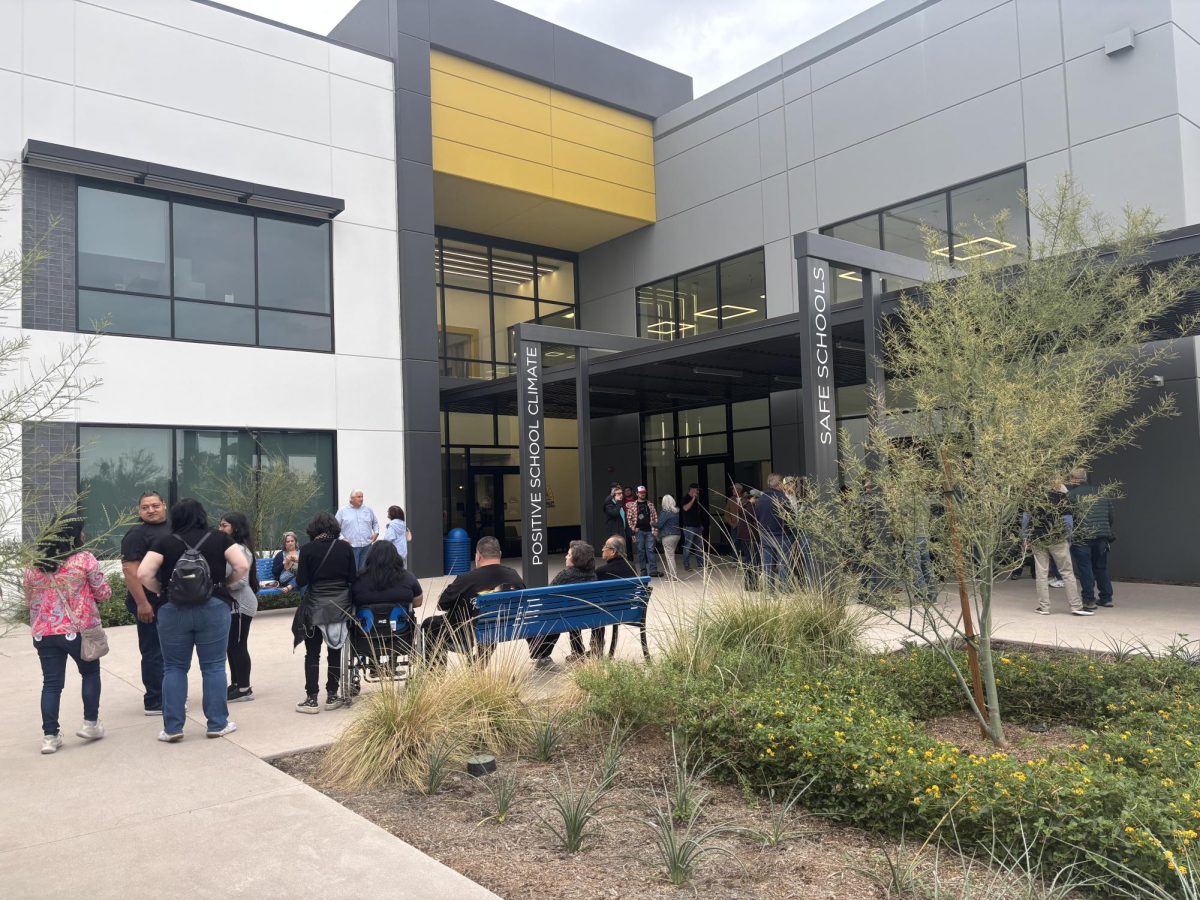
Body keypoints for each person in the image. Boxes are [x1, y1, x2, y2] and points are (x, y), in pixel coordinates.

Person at [138, 499, 248, 742]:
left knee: (174, 667)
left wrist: (160, 590)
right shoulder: (219, 538)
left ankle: (173, 728)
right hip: (213, 608)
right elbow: (241, 565)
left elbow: (143, 573)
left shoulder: (164, 542)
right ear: (202, 515)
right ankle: (217, 724)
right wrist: (224, 585)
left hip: (173, 609)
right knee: (214, 666)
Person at [25, 517, 111, 755]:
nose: (84, 536)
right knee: (90, 673)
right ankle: (90, 724)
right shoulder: (84, 559)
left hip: (45, 633)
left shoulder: (35, 565)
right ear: (74, 536)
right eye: (81, 532)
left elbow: (29, 601)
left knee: (51, 684)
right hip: (78, 630)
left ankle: (50, 737)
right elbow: (103, 593)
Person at [292, 511, 358, 713]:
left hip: (315, 606)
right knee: (335, 651)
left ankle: (311, 699)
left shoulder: (308, 550)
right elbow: (353, 578)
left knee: (312, 653)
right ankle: (332, 696)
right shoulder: (345, 548)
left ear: (315, 528)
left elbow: (302, 581)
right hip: (339, 607)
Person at [423, 536, 523, 665]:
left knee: (429, 624)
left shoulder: (466, 579)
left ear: (478, 556)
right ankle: (478, 663)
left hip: (468, 632)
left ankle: (434, 672)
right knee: (488, 625)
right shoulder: (513, 575)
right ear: (500, 555)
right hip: (504, 626)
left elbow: (442, 605)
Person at [120, 490, 170, 716]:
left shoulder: (173, 528)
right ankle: (155, 699)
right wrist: (142, 603)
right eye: (145, 507)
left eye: (155, 506)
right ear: (139, 510)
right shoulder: (136, 534)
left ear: (164, 505)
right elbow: (130, 571)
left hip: (171, 602)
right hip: (149, 604)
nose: (151, 510)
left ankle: (169, 692)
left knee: (171, 651)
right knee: (153, 652)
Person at [1024, 481, 1091, 616]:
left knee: (1041, 573)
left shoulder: (1033, 498)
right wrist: (1069, 537)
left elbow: (1026, 518)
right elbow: (1067, 519)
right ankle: (1076, 606)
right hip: (1058, 538)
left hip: (1038, 538)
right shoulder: (1061, 498)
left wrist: (1025, 537)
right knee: (1067, 572)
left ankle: (1044, 607)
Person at [529, 540, 597, 667]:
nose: (566, 557)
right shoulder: (593, 576)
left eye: (569, 555)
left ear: (576, 559)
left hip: (563, 618)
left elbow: (546, 597)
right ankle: (577, 652)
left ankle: (542, 655)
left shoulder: (565, 575)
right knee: (572, 613)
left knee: (554, 615)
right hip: (586, 616)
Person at [218, 512, 259, 704]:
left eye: (224, 525)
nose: (220, 529)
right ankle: (236, 684)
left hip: (241, 604)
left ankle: (244, 688)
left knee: (238, 645)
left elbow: (241, 581)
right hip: (233, 605)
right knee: (231, 646)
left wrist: (221, 585)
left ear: (235, 528)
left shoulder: (240, 550)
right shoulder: (231, 548)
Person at [1068, 468, 1116, 608]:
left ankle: (1089, 599)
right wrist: (1105, 529)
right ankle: (1106, 597)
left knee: (1085, 568)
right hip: (1102, 536)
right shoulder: (1101, 492)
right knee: (1100, 566)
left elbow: (1068, 518)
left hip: (1082, 537)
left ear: (1073, 479)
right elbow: (1111, 514)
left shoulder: (1071, 496)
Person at [589, 535, 639, 656]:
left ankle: (595, 648)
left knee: (595, 608)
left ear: (613, 551)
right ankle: (596, 648)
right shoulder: (632, 567)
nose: (602, 549)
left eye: (605, 546)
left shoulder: (602, 571)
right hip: (626, 610)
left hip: (607, 612)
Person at [352, 540, 423, 612]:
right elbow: (418, 602)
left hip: (366, 621)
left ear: (370, 557)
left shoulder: (359, 578)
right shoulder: (408, 577)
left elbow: (352, 600)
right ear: (396, 557)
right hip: (399, 621)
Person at [754, 474, 791, 591]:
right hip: (782, 536)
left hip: (765, 536)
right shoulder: (783, 498)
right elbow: (791, 518)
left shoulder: (761, 500)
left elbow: (757, 517)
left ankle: (770, 590)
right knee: (783, 563)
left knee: (767, 565)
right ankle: (783, 588)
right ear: (779, 484)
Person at [336, 489, 379, 571]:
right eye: (358, 497)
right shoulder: (342, 511)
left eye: (362, 497)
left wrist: (376, 532)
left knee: (366, 572)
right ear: (351, 498)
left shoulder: (368, 510)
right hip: (351, 547)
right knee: (352, 571)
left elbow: (375, 523)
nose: (361, 499)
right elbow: (335, 527)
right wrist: (342, 539)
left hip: (367, 546)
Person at [624, 485, 659, 577]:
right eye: (640, 493)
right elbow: (629, 518)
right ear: (637, 493)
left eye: (644, 493)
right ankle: (643, 570)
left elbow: (655, 517)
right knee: (641, 551)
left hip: (649, 531)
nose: (642, 494)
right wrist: (633, 528)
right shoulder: (633, 505)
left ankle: (653, 570)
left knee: (650, 550)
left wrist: (655, 529)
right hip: (639, 532)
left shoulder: (650, 504)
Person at [679, 483, 706, 572]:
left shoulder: (696, 501)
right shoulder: (685, 498)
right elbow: (686, 508)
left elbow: (698, 513)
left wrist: (701, 525)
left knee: (699, 547)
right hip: (689, 527)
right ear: (692, 489)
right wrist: (693, 498)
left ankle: (700, 564)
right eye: (697, 490)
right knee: (688, 546)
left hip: (697, 526)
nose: (698, 492)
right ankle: (686, 565)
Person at [657, 495, 682, 580]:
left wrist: (651, 523)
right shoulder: (676, 512)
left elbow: (659, 525)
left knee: (670, 556)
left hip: (668, 536)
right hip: (677, 535)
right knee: (671, 555)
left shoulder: (665, 513)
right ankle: (672, 575)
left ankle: (673, 577)